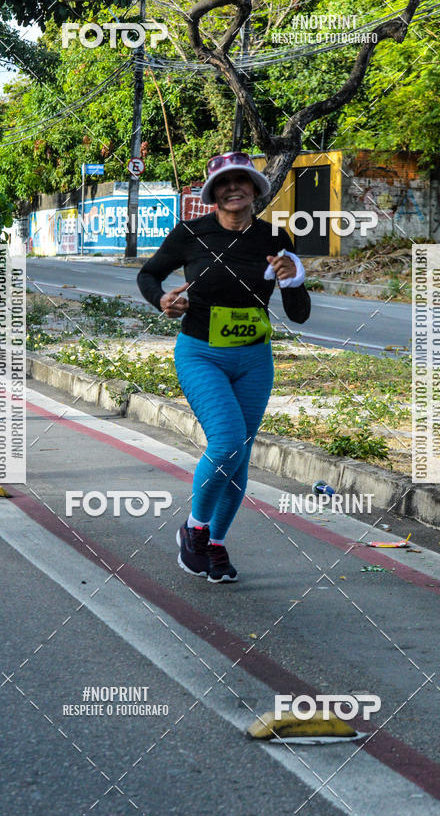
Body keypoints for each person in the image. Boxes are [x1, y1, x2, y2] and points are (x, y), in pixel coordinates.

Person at [137, 151, 311, 582]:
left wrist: (293, 280)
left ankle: (215, 542)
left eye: (242, 181)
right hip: (201, 352)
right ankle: (194, 529)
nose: (234, 189)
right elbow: (149, 275)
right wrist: (161, 300)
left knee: (241, 456)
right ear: (213, 193)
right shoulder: (190, 233)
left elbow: (300, 313)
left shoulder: (275, 238)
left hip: (254, 358)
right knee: (228, 441)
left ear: (255, 189)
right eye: (224, 184)